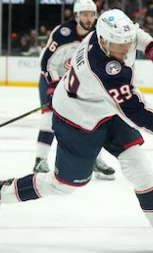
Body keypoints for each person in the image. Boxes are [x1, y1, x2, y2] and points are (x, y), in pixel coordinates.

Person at [0, 8, 153, 253]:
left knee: (140, 167)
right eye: (118, 46)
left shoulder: (109, 35)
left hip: (107, 110)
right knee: (64, 184)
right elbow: (138, 113)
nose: (125, 51)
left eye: (127, 44)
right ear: (102, 41)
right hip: (77, 120)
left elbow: (135, 33)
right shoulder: (104, 69)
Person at [34, 0, 115, 180]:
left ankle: (95, 160)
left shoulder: (98, 36)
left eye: (91, 14)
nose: (88, 18)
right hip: (52, 78)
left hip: (79, 84)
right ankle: (40, 160)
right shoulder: (62, 34)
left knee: (96, 118)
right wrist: (54, 85)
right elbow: (46, 63)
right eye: (84, 14)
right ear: (76, 16)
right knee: (49, 117)